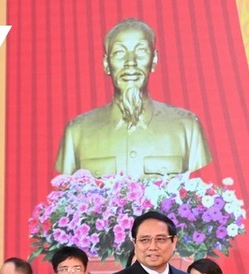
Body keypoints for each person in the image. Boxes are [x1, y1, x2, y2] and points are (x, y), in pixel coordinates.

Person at [55, 18, 212, 178]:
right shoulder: (77, 132)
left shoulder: (187, 127)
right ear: (106, 64)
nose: (131, 62)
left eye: (141, 51)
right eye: (119, 53)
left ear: (154, 60)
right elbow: (67, 195)